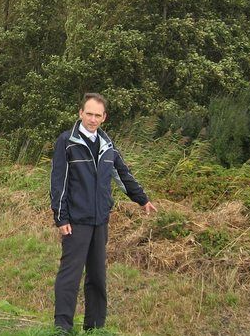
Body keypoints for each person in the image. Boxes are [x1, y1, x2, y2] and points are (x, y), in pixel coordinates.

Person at [50, 93, 157, 333]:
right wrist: (61, 217)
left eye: (98, 115)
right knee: (70, 276)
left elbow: (123, 175)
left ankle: (95, 328)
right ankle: (62, 328)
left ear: (104, 117)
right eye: (89, 113)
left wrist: (142, 199)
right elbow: (59, 183)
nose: (93, 119)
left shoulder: (108, 145)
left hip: (101, 221)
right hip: (75, 222)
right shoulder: (67, 142)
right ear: (80, 113)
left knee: (97, 277)